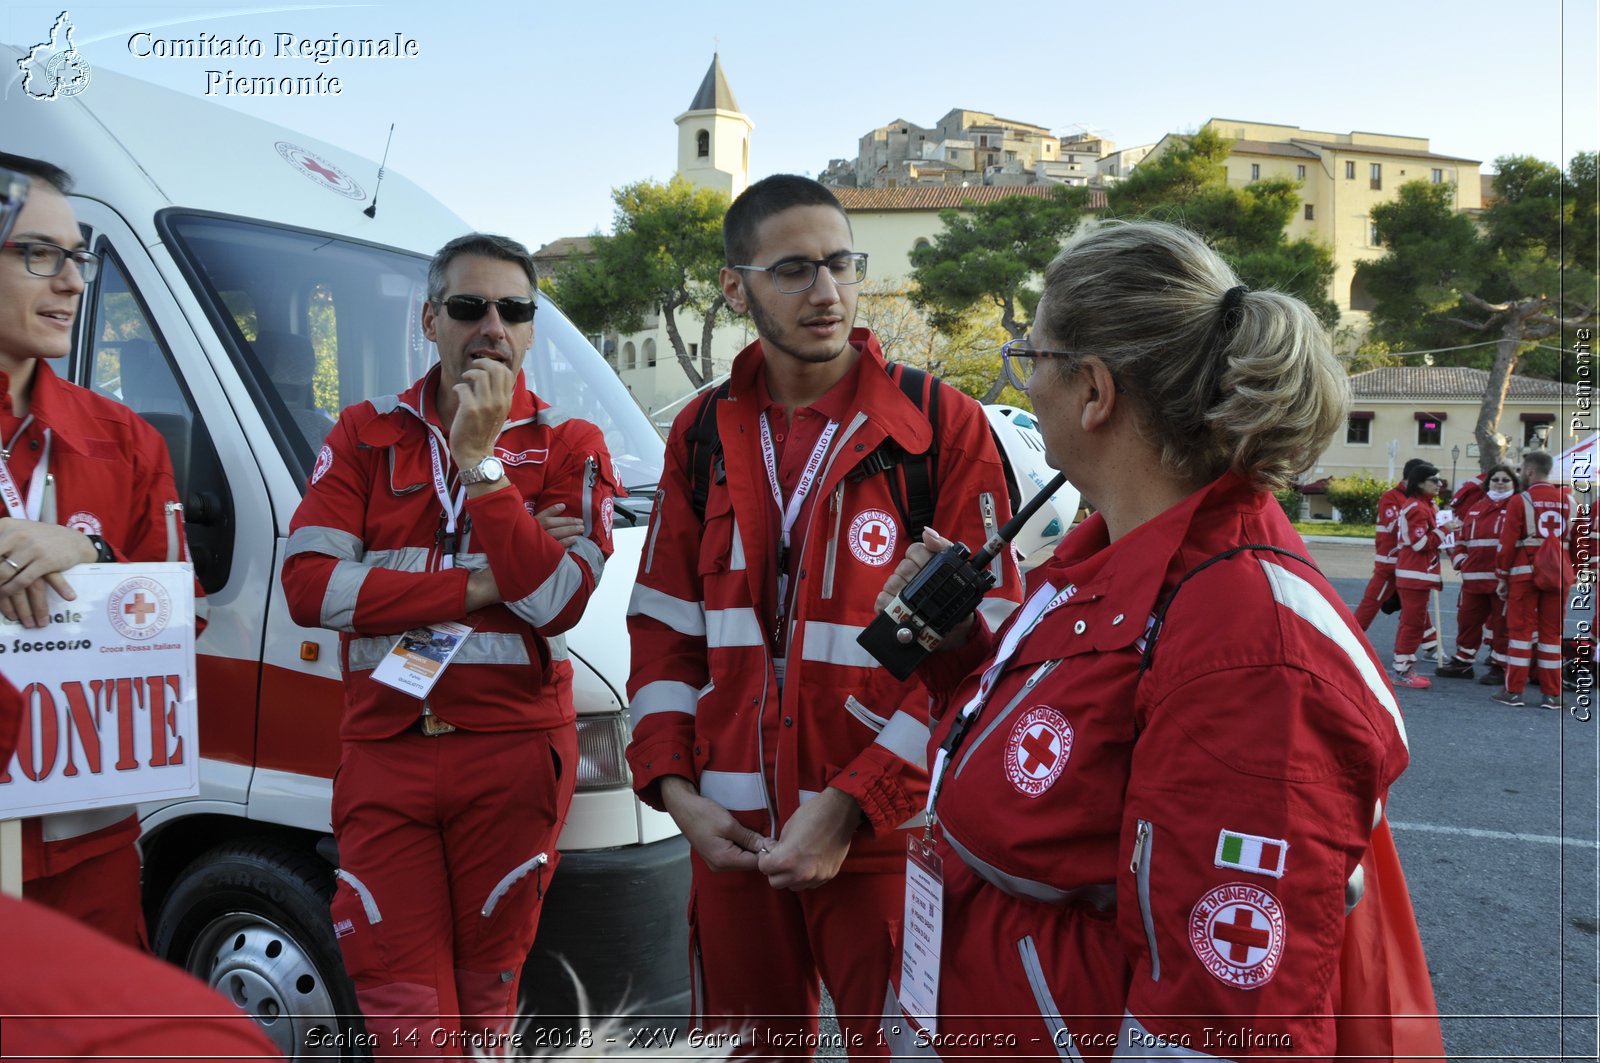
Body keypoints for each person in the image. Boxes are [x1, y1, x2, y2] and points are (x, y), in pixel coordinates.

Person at [878, 220, 1428, 1058]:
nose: (1024, 386)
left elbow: (1223, 1020)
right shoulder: (1109, 556)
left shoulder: (1252, 647)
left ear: (1095, 391)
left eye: (1031, 357)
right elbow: (1067, 769)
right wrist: (960, 651)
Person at [624, 174, 1021, 1058]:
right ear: (737, 287)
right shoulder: (698, 432)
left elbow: (994, 650)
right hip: (730, 842)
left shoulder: (939, 424)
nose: (829, 293)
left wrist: (852, 804)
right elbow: (662, 630)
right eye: (796, 270)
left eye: (842, 264)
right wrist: (679, 795)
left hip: (883, 838)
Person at [281, 232, 617, 1056]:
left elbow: (554, 600)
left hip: (511, 754)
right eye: (470, 307)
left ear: (532, 329)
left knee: (486, 1007)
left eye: (513, 310)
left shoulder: (572, 444)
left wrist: (480, 465)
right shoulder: (364, 433)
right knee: (407, 1018)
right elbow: (311, 588)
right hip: (385, 753)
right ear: (431, 320)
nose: (492, 325)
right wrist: (479, 579)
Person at [0, 152, 192, 948]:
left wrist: (92, 558)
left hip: (91, 838)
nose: (74, 282)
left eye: (78, 257)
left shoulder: (129, 441)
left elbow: (184, 619)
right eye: (38, 254)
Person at [0, 675, 283, 1062]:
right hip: (61, 827)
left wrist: (87, 610)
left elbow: (172, 622)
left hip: (93, 843)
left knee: (108, 1020)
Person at [1492, 450, 1576, 709]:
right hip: (1557, 575)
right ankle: (1552, 694)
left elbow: (1506, 545)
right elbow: (1578, 544)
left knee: (1520, 633)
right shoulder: (1569, 503)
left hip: (1524, 574)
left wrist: (1502, 576)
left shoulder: (1520, 501)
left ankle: (1514, 690)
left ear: (1529, 471)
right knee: (1551, 634)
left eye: (1521, 471)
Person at [1436, 465, 1520, 681]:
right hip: (1473, 578)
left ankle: (1500, 666)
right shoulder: (1476, 508)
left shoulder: (1517, 506)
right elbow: (1461, 539)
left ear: (1514, 484)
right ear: (1488, 482)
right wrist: (1461, 561)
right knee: (1467, 621)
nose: (1499, 483)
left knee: (1502, 625)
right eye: (1495, 479)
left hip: (1502, 579)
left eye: (1505, 480)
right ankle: (1463, 662)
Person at [1353, 457, 1428, 629]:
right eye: (1425, 481)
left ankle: (1431, 644)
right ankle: (1349, 641)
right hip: (1390, 561)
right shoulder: (1391, 497)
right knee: (1371, 602)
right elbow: (1395, 526)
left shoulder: (1419, 500)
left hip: (1408, 562)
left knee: (1414, 605)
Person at [1391, 463, 1445, 688]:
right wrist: (1445, 530)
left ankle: (1404, 667)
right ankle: (1402, 670)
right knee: (1412, 624)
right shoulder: (1417, 507)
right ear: (1420, 482)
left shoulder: (1425, 505)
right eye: (1434, 480)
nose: (1439, 484)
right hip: (1414, 573)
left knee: (1415, 622)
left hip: (1419, 573)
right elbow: (1420, 543)